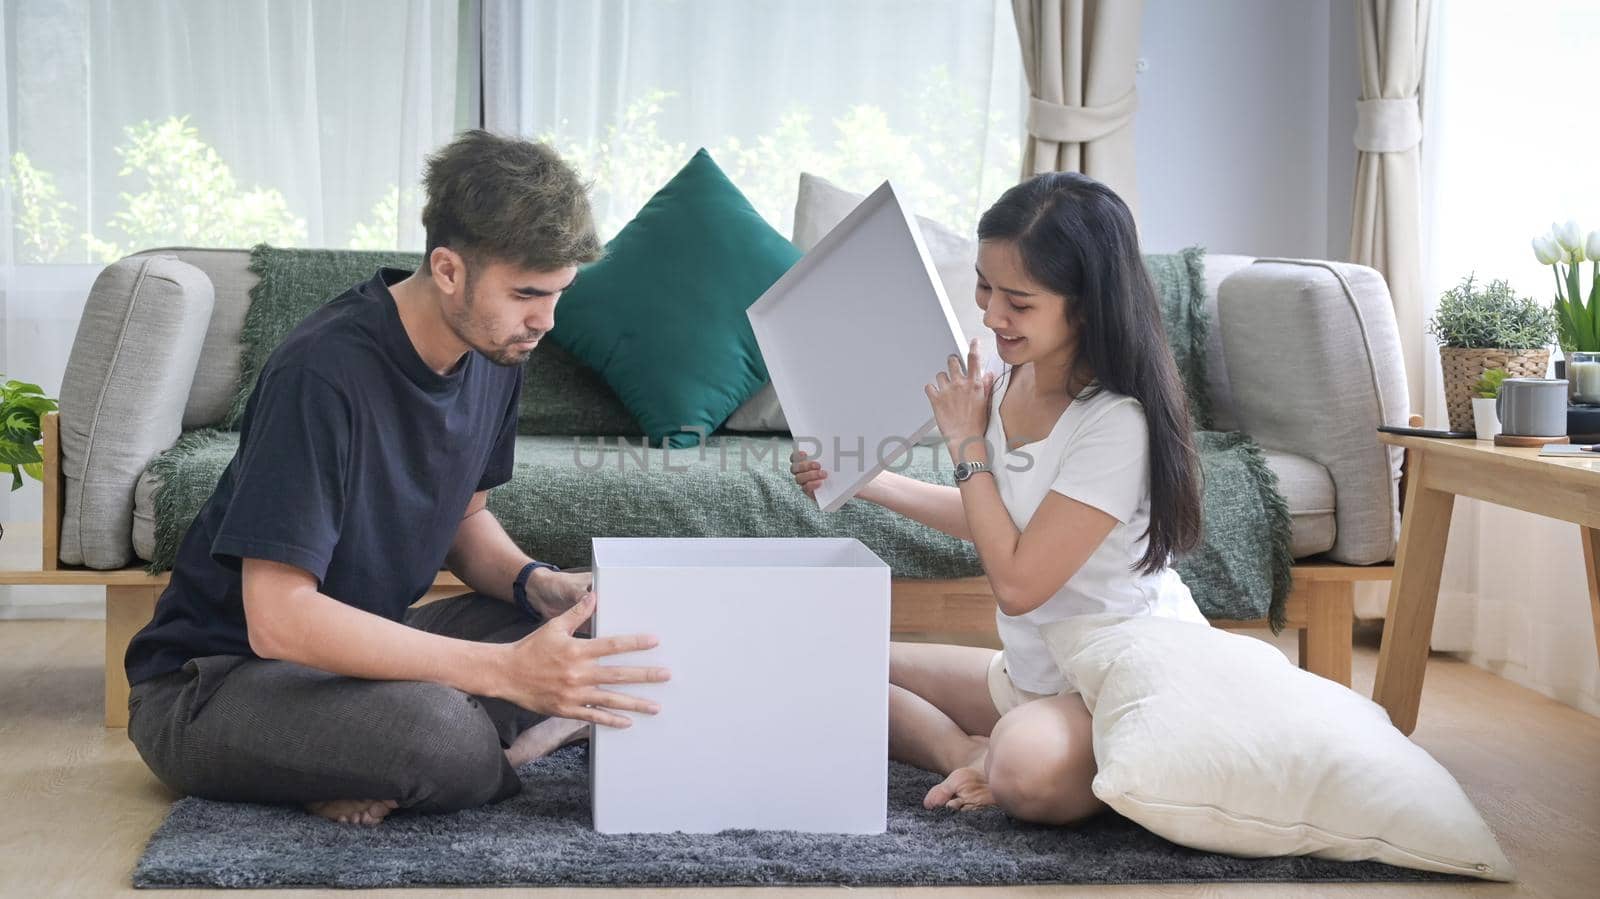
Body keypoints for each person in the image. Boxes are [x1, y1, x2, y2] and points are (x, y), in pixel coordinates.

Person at [124, 130, 669, 826]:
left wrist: (538, 582)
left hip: (354, 653)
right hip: (217, 682)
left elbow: (465, 521)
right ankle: (453, 746)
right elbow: (279, 620)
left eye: (559, 294)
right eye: (528, 293)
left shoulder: (497, 350)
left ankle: (393, 749)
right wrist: (502, 673)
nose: (546, 321)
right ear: (447, 270)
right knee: (439, 733)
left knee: (595, 631)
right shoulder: (322, 373)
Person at [791, 172, 1205, 825]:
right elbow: (998, 520)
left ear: (1087, 304)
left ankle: (1009, 757)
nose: (990, 314)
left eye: (1018, 299)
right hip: (1033, 671)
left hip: (1112, 680)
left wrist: (965, 443)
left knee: (1027, 773)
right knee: (831, 661)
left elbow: (1015, 581)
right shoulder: (1015, 380)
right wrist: (862, 480)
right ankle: (968, 749)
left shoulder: (1115, 422)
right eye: (985, 286)